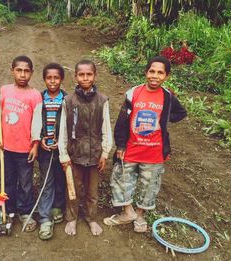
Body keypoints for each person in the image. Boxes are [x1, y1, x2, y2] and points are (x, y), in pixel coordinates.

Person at [103, 56, 187, 232]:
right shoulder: (133, 93)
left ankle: (140, 214)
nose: (155, 76)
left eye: (160, 72)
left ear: (167, 76)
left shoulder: (168, 97)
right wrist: (120, 145)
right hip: (131, 148)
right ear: (145, 72)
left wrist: (163, 119)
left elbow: (181, 113)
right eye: (152, 71)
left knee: (148, 184)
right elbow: (122, 121)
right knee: (121, 178)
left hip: (154, 152)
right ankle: (128, 212)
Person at [58, 59, 112, 236]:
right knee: (73, 188)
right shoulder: (68, 101)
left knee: (92, 191)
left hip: (95, 154)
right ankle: (72, 218)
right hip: (75, 154)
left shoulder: (102, 101)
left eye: (89, 74)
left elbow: (106, 128)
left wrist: (104, 152)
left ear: (95, 76)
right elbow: (63, 131)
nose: (85, 78)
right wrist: (64, 155)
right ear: (75, 76)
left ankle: (91, 218)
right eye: (81, 74)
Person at [0, 55, 42, 232]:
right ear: (12, 70)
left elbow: (37, 123)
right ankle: (7, 210)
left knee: (26, 182)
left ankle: (25, 211)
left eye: (26, 71)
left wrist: (35, 145)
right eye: (19, 70)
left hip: (24, 149)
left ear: (31, 73)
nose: (22, 74)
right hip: (6, 148)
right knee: (7, 181)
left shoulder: (35, 96)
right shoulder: (4, 90)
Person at [37, 63, 68, 240]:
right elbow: (35, 122)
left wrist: (62, 143)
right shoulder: (39, 99)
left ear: (61, 79)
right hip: (44, 148)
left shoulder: (67, 100)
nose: (53, 81)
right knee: (46, 180)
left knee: (59, 177)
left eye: (56, 78)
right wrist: (40, 138)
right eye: (49, 78)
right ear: (44, 79)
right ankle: (44, 217)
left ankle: (58, 206)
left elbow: (71, 125)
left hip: (61, 149)